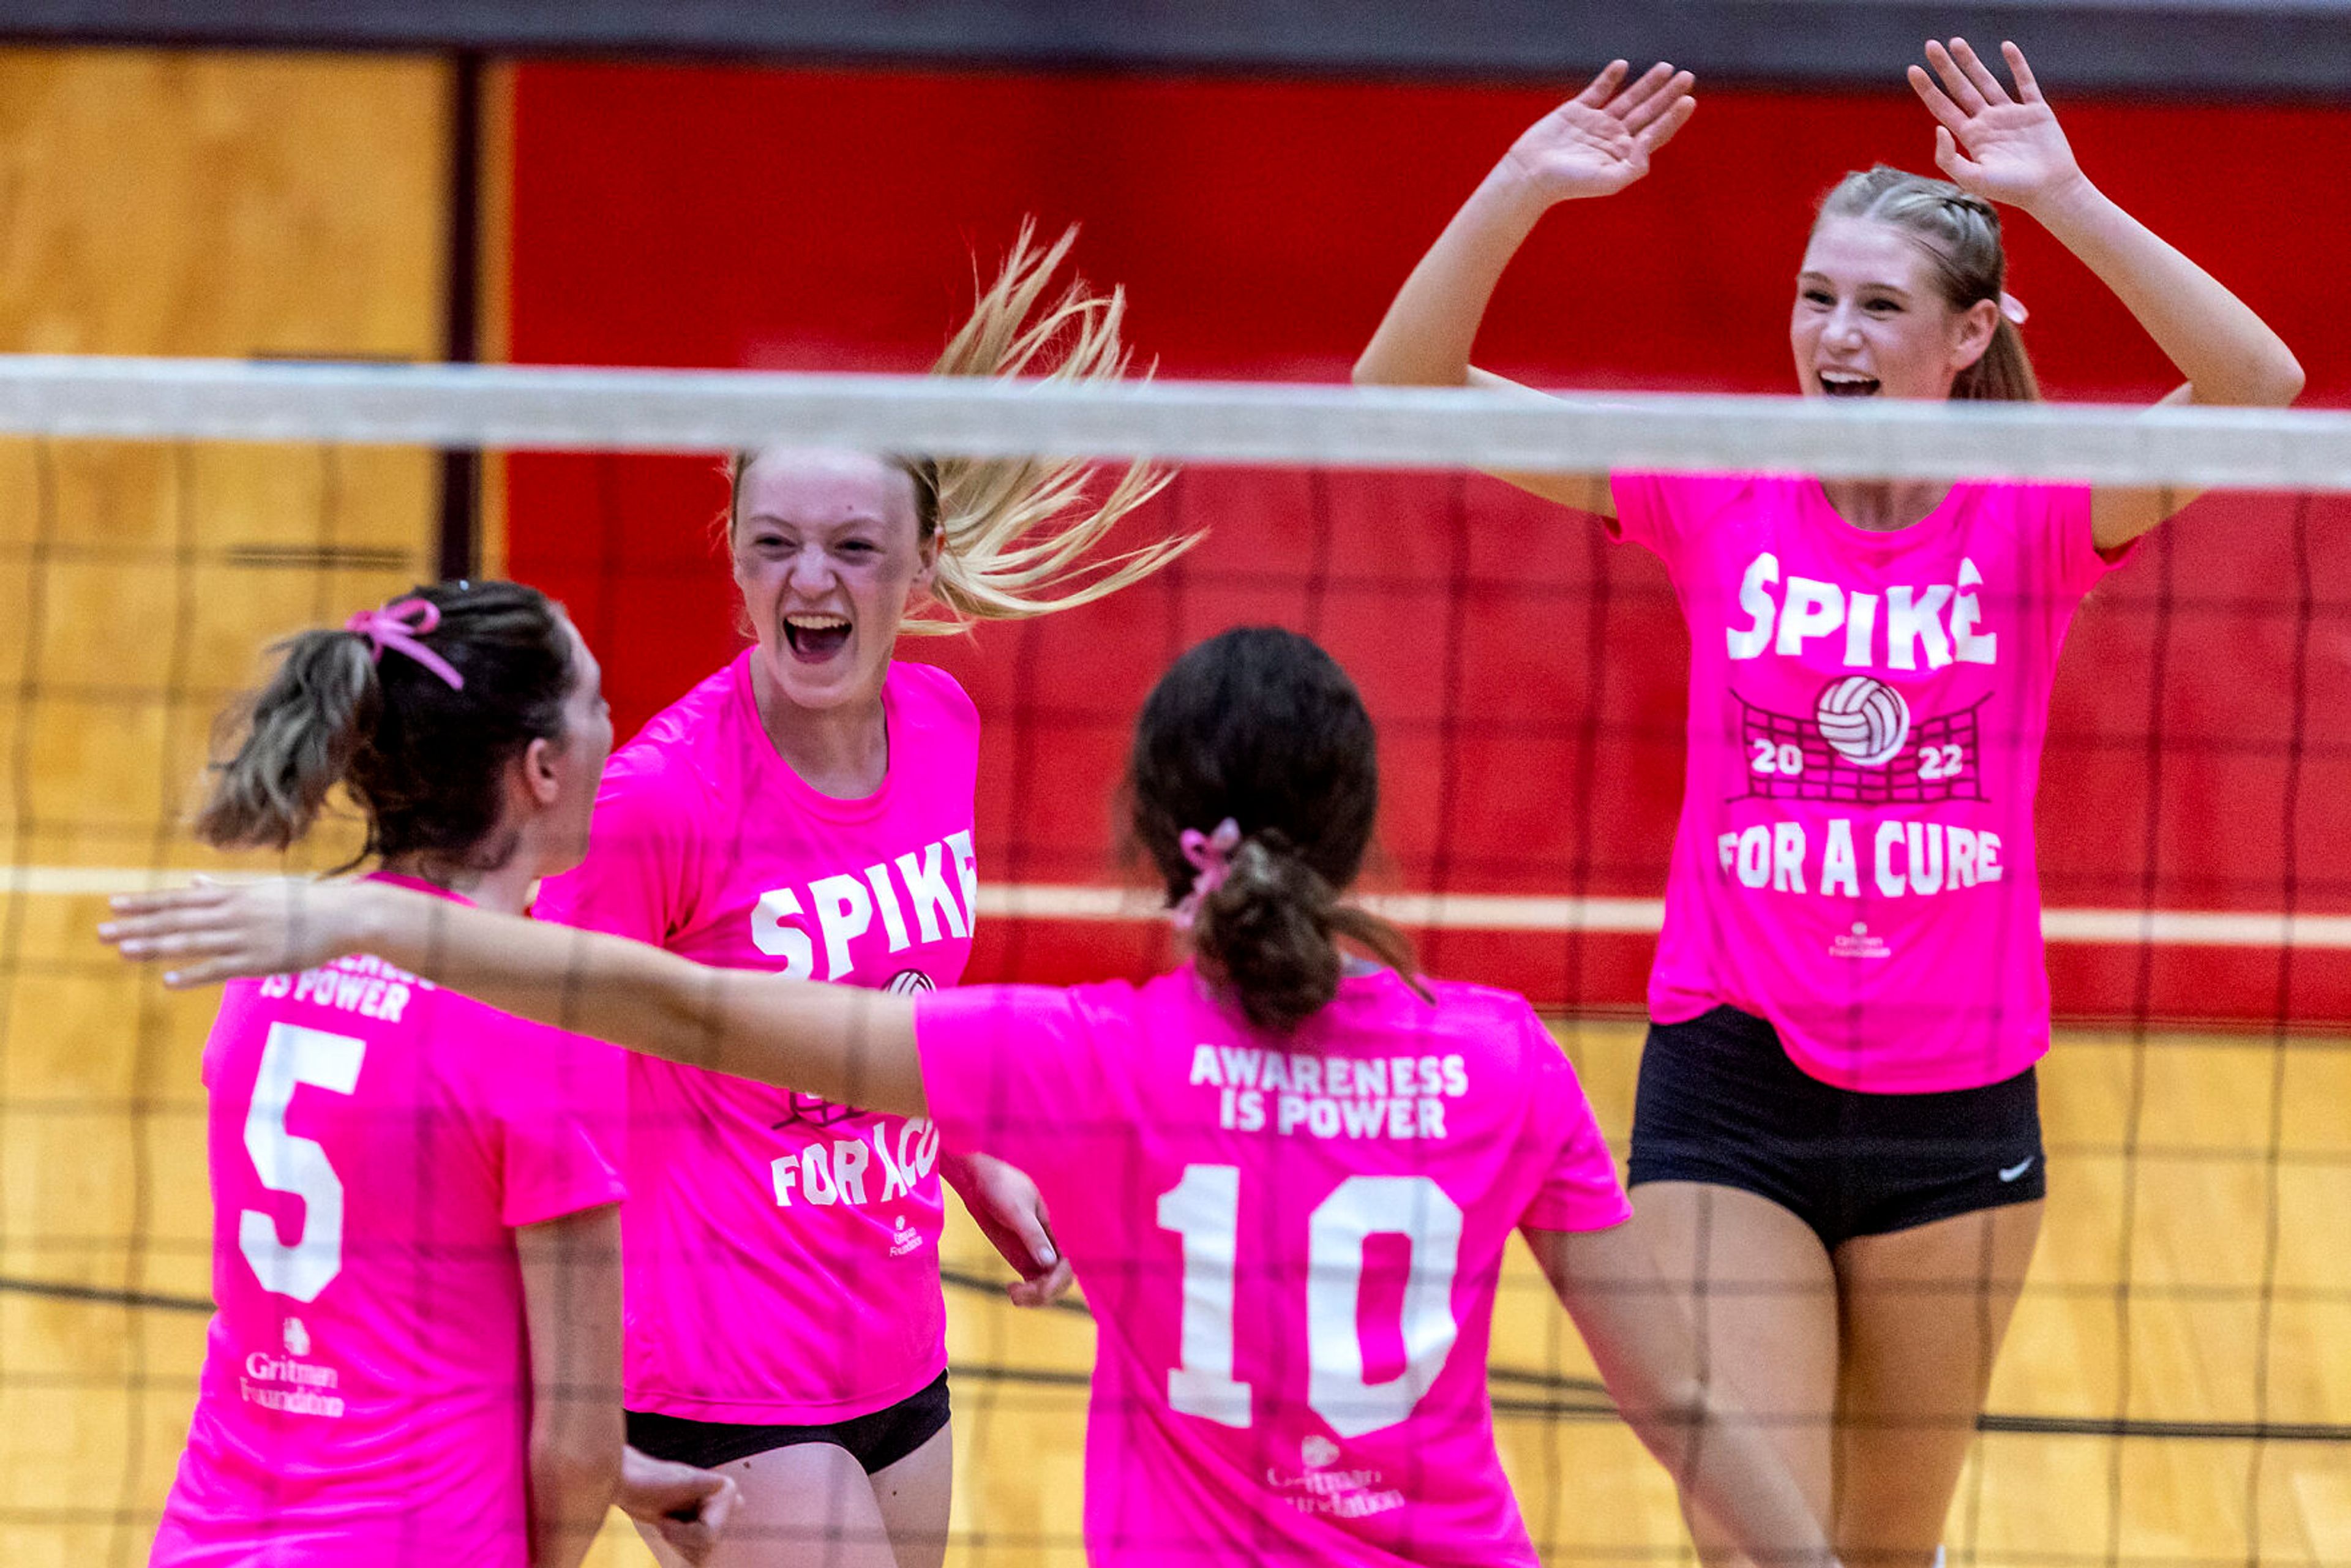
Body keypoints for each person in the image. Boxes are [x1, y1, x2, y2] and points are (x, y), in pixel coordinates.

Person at [107, 627, 1839, 1568]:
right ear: (1365, 824)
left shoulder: (1081, 1066)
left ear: (1154, 829)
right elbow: (1679, 1398)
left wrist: (356, 911)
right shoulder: (1506, 1058)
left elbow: (678, 1003)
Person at [1351, 37, 2302, 1568]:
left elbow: (2263, 385)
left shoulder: (2036, 516)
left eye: (1879, 308)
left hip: (1957, 1108)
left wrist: (2065, 195)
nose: (1835, 337)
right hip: (1730, 1087)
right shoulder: (1719, 482)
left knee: (1880, 1549)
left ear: (1967, 335)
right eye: (1818, 299)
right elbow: (1399, 392)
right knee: (1755, 1546)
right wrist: (1521, 185)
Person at [525, 224, 1196, 1568]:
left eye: (850, 546)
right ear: (734, 555)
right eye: (775, 544)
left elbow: (888, 1008)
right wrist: (582, 1425)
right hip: (713, 1374)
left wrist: (967, 1152)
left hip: (892, 1344)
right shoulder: (659, 802)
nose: (811, 581)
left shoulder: (943, 728)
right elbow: (532, 1088)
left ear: (922, 560)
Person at [146, 583, 738, 1567]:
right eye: (594, 701)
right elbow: (575, 1441)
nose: (613, 724)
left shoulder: (273, 967)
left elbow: (361, 1322)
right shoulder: (547, 1016)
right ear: (542, 769)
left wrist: (619, 1469)